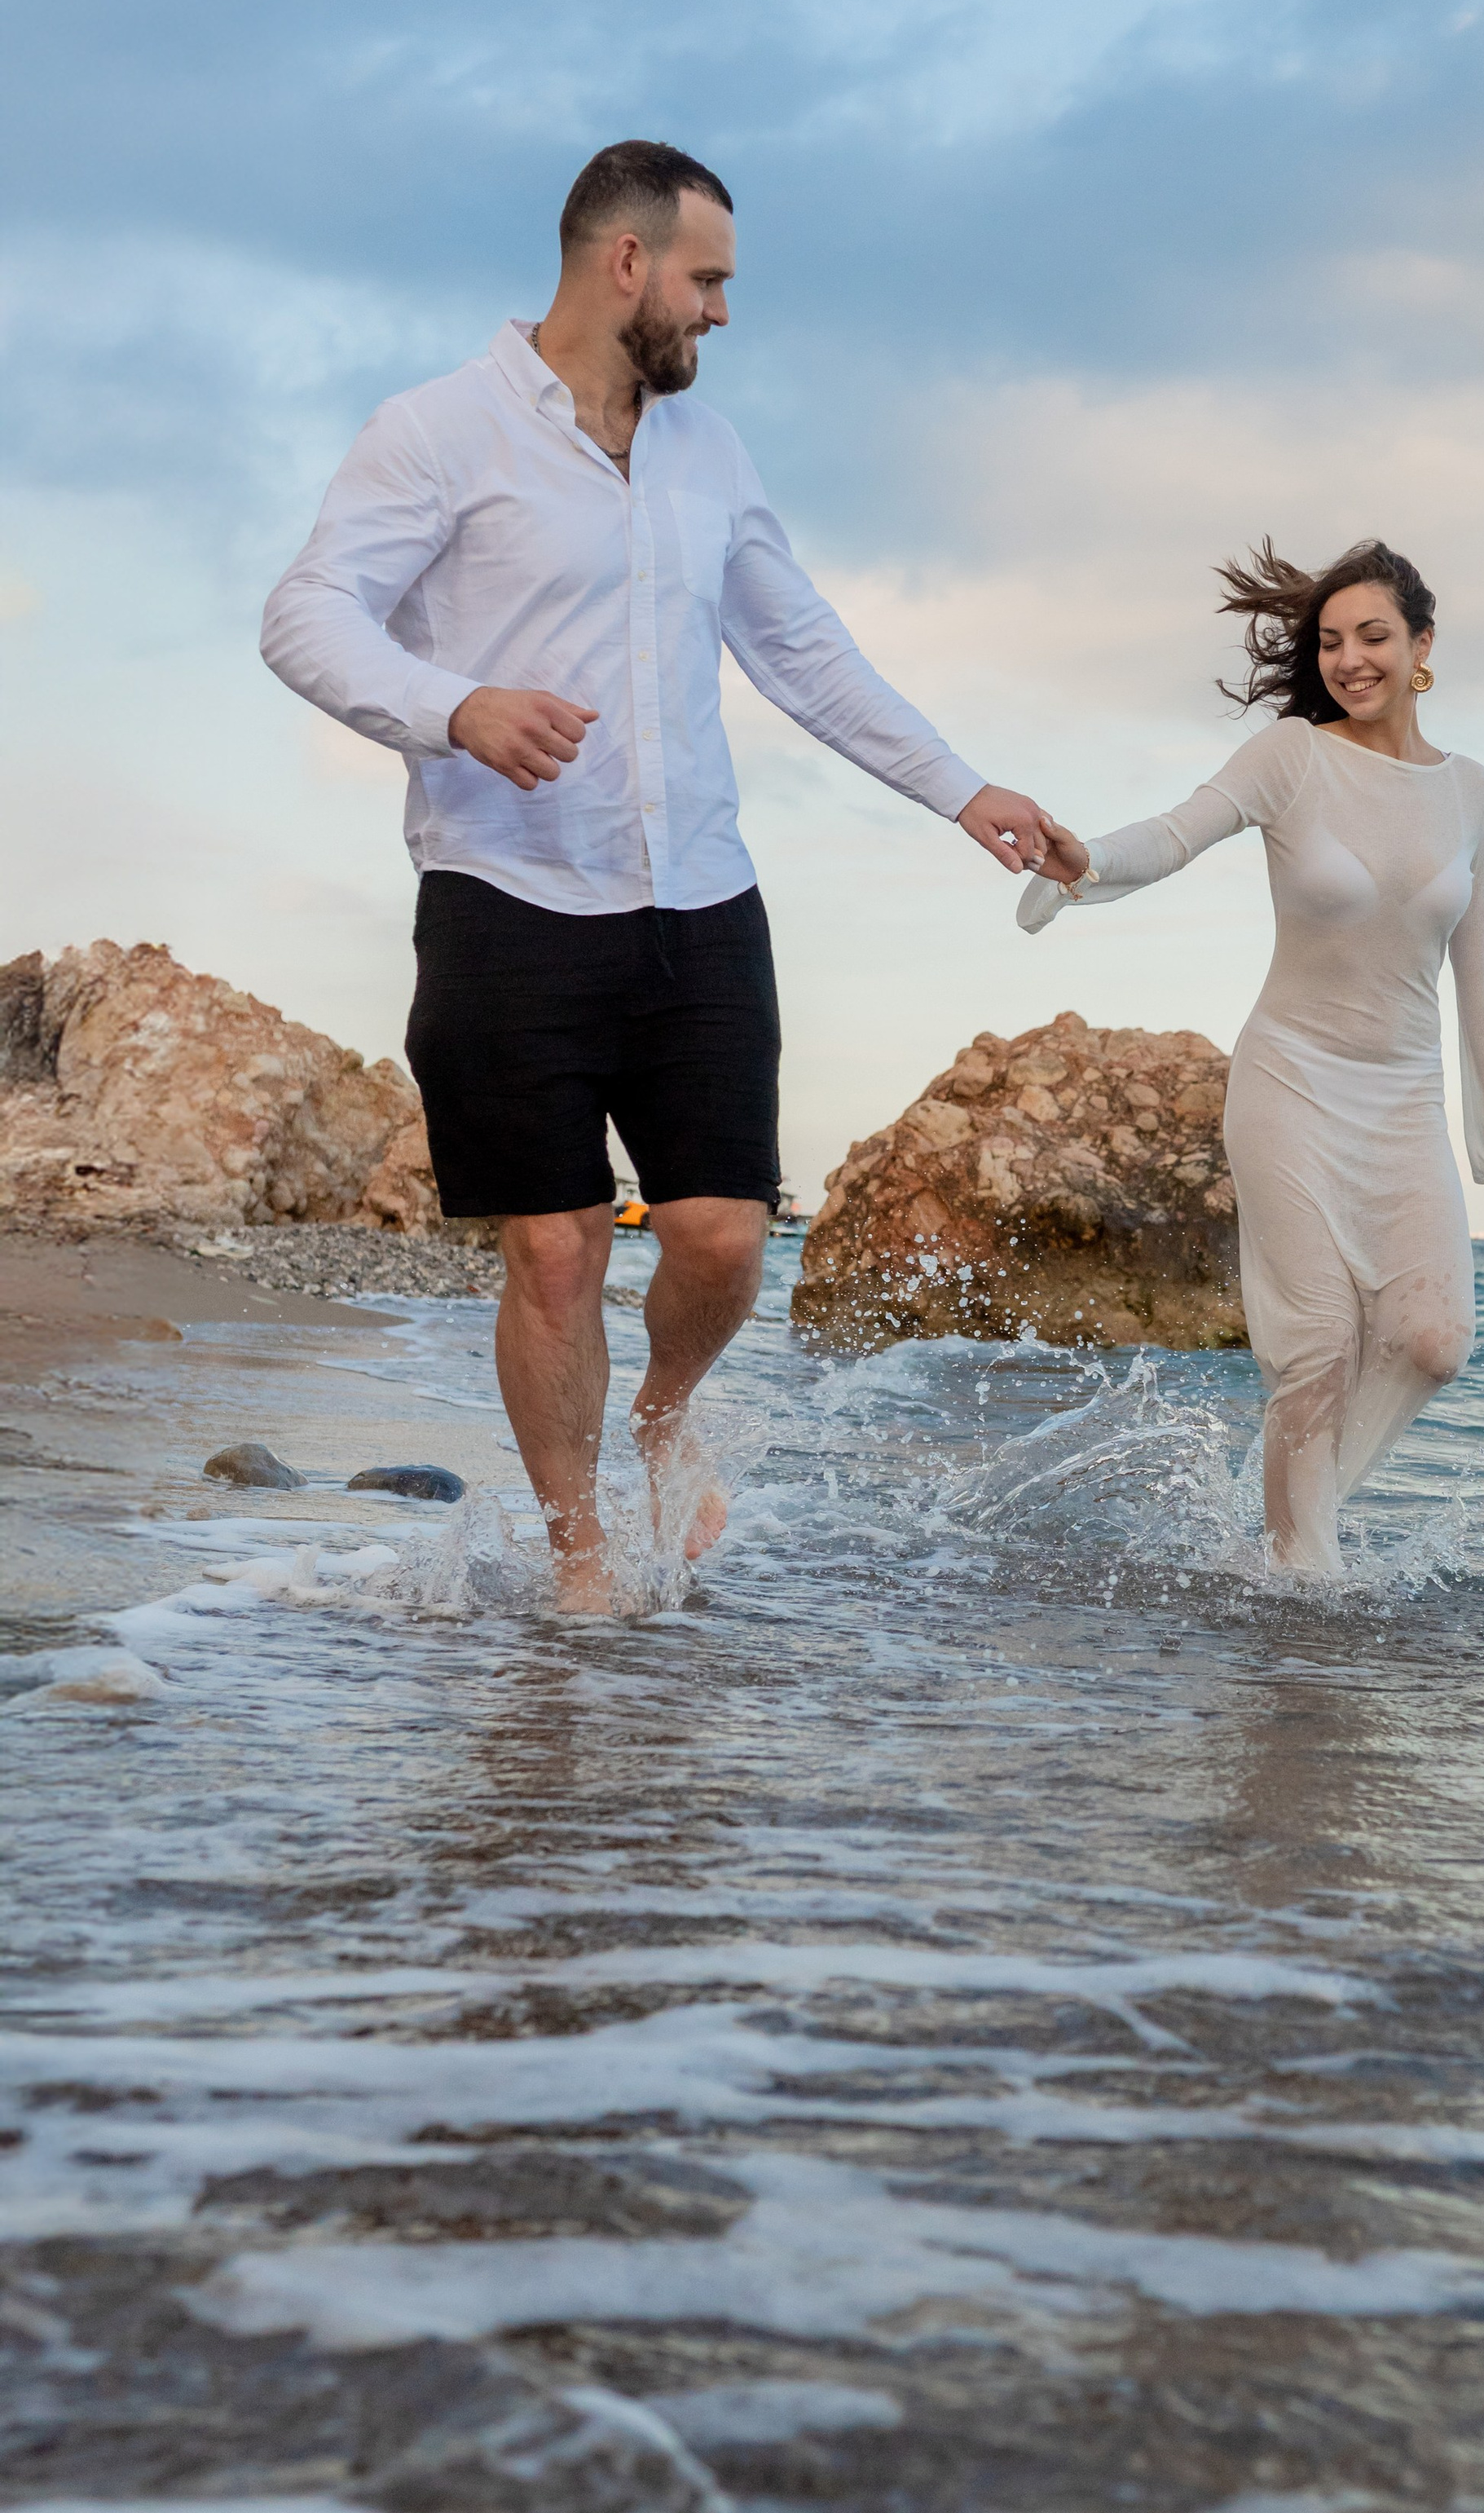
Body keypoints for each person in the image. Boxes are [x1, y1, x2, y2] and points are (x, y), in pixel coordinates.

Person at [262, 139, 1051, 1612]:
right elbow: (306, 613)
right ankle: (581, 1554)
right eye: (709, 279)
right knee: (557, 1252)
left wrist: (961, 788)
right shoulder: (438, 432)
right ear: (627, 262)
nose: (722, 312)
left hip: (697, 897)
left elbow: (802, 650)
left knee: (723, 1236)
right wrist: (454, 707)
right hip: (506, 896)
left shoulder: (710, 453)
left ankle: (665, 1410)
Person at [1019, 540, 1484, 1576]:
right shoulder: (1291, 757)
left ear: (1422, 644)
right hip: (1291, 1084)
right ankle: (1306, 1587)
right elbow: (1175, 833)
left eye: (1373, 636)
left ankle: (1278, 1539)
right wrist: (1089, 860)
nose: (1349, 659)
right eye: (1331, 640)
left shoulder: (1470, 789)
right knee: (1317, 1353)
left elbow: (1478, 961)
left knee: (1434, 1340)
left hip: (1403, 1100)